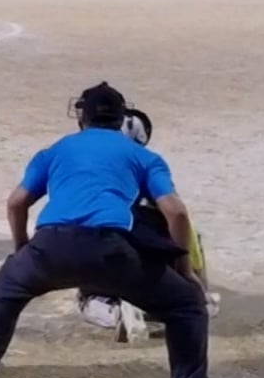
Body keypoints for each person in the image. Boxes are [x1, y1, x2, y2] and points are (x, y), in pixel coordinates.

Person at [0, 82, 236, 378]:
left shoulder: (56, 150)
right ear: (121, 119)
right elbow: (176, 213)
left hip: (50, 248)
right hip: (111, 252)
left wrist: (22, 251)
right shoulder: (142, 156)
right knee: (187, 305)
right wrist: (184, 270)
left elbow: (16, 203)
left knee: (7, 288)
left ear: (82, 116)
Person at [74, 103, 220, 344]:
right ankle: (193, 299)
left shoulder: (87, 173)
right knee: (189, 234)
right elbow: (182, 224)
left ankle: (116, 311)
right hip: (156, 272)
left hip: (108, 261)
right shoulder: (153, 172)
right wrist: (193, 280)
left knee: (87, 297)